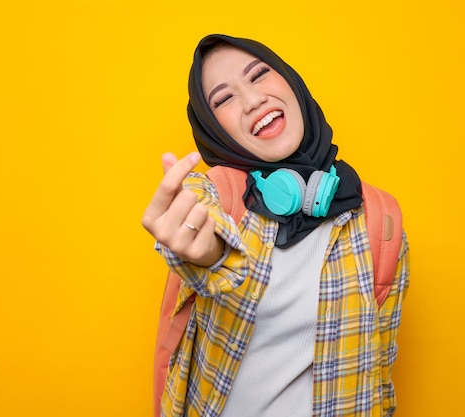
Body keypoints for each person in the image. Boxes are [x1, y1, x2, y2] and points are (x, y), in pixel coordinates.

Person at [142, 34, 410, 417]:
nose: (253, 101)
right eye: (224, 99)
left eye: (259, 75)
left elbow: (379, 375)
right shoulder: (215, 196)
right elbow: (210, 237)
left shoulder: (380, 219)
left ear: (291, 82)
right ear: (213, 128)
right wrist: (209, 255)